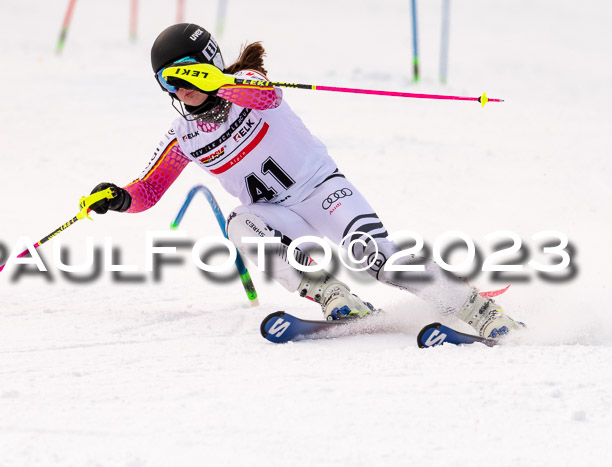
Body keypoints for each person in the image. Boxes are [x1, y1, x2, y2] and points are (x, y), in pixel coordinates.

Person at [87, 23, 523, 338]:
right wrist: (117, 198)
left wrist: (219, 83)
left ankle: (477, 309)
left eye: (185, 72)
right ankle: (331, 294)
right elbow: (148, 190)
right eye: (168, 80)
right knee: (240, 223)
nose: (179, 87)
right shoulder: (183, 136)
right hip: (276, 215)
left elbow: (262, 93)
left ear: (208, 65)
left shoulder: (247, 84)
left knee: (373, 256)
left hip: (322, 192)